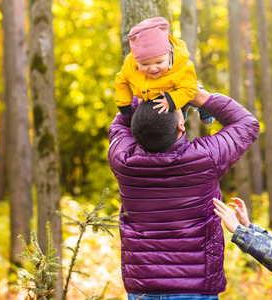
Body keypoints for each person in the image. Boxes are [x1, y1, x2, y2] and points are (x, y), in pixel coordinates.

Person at [108, 86, 259, 299]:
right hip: (195, 286)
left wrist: (145, 90)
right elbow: (247, 124)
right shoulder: (205, 158)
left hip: (142, 285)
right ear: (181, 126)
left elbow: (119, 123)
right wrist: (200, 97)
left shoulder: (123, 160)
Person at [114, 17, 213, 125]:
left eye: (159, 63)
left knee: (194, 96)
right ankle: (180, 111)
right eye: (145, 64)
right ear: (136, 61)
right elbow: (122, 81)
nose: (152, 68)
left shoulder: (182, 66)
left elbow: (189, 88)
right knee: (174, 115)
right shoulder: (130, 64)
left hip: (179, 91)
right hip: (155, 95)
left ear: (169, 55)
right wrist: (124, 106)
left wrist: (171, 101)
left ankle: (205, 107)